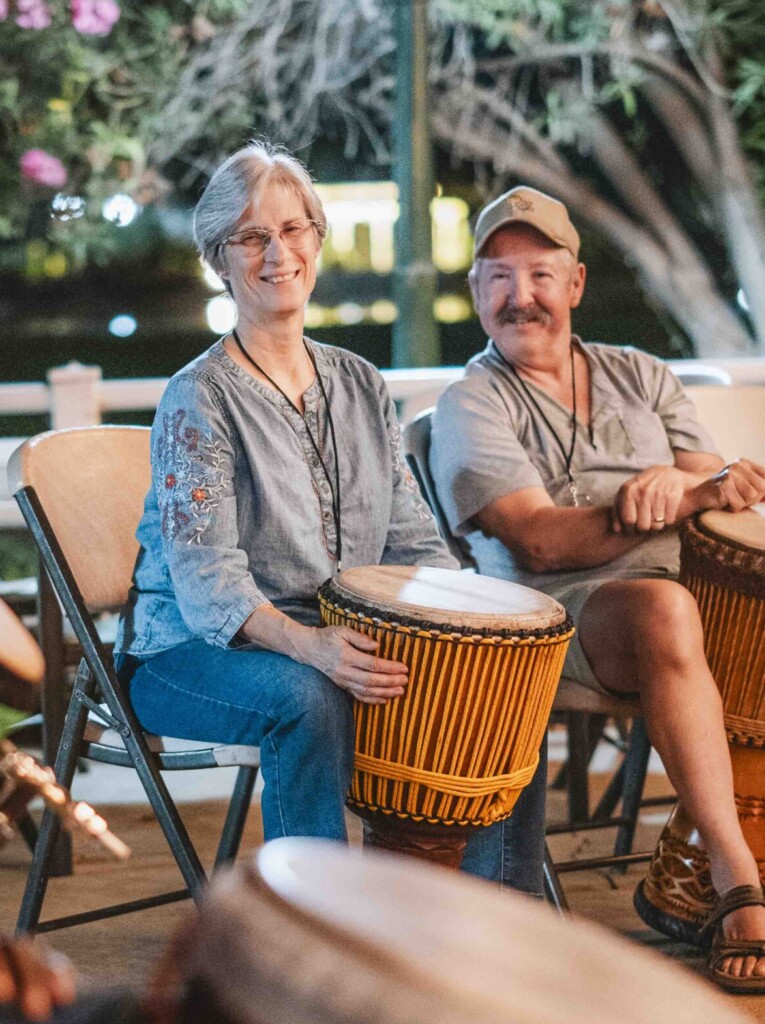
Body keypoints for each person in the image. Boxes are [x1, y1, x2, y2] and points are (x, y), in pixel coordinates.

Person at [112, 141, 545, 896]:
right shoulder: (199, 398)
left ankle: (489, 929)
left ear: (316, 239)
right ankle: (321, 934)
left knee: (500, 697)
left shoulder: (359, 382)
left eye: (292, 229)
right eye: (252, 237)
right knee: (306, 699)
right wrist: (310, 647)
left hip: (329, 639)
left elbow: (411, 541)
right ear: (220, 258)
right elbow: (208, 583)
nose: (277, 253)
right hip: (187, 653)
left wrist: (476, 636)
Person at [429, 185, 765, 992]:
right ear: (476, 294)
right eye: (498, 279)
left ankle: (684, 866)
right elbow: (540, 541)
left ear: (574, 284)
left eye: (540, 275)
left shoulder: (642, 375)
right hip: (558, 623)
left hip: (690, 613)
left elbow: (716, 493)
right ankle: (732, 882)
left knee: (706, 613)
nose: (521, 297)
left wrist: (708, 482)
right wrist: (655, 502)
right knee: (661, 607)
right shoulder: (469, 402)